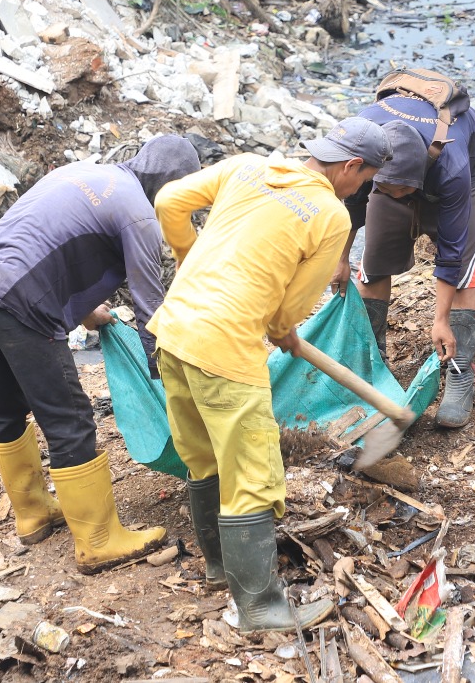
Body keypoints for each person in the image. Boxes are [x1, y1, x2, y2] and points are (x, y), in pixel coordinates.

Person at [150, 118, 389, 632]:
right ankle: (260, 607)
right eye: (363, 180)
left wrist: (188, 255)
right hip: (225, 347)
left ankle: (219, 568)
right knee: (254, 476)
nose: (359, 190)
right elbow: (294, 305)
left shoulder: (249, 167)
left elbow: (170, 201)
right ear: (350, 166)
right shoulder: (330, 216)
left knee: (203, 455)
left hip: (173, 330)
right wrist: (280, 327)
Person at [0, 135, 200, 572]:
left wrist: (89, 311)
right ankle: (99, 540)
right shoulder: (138, 215)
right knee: (70, 417)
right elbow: (151, 311)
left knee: (6, 407)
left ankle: (33, 514)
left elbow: (45, 238)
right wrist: (162, 373)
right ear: (172, 188)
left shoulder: (84, 172)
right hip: (24, 302)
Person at [336, 73, 475, 429]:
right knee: (375, 260)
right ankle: (374, 368)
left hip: (464, 157)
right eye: (384, 189)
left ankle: (459, 371)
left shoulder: (453, 168)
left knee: (466, 264)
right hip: (395, 169)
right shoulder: (362, 147)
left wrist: (440, 321)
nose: (394, 199)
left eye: (401, 192)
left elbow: (452, 252)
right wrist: (342, 258)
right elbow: (351, 206)